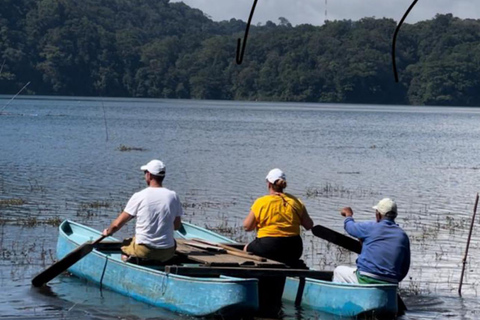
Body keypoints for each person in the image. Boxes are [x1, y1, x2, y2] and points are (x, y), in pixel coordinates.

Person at [103, 159, 183, 262]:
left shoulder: (140, 196)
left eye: (145, 173)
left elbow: (116, 225)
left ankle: (127, 262)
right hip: (167, 252)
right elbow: (177, 226)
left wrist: (108, 232)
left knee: (125, 244)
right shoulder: (173, 196)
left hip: (144, 250)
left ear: (149, 175)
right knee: (173, 243)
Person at [243, 168, 314, 266]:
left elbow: (247, 227)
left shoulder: (261, 202)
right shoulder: (296, 201)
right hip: (294, 249)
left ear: (269, 184)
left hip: (268, 247)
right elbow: (309, 225)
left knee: (246, 248)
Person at [333, 198, 410, 284]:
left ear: (379, 215)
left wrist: (348, 215)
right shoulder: (403, 236)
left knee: (338, 271)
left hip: (366, 278)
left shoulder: (370, 227)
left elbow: (349, 227)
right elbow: (405, 267)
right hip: (391, 284)